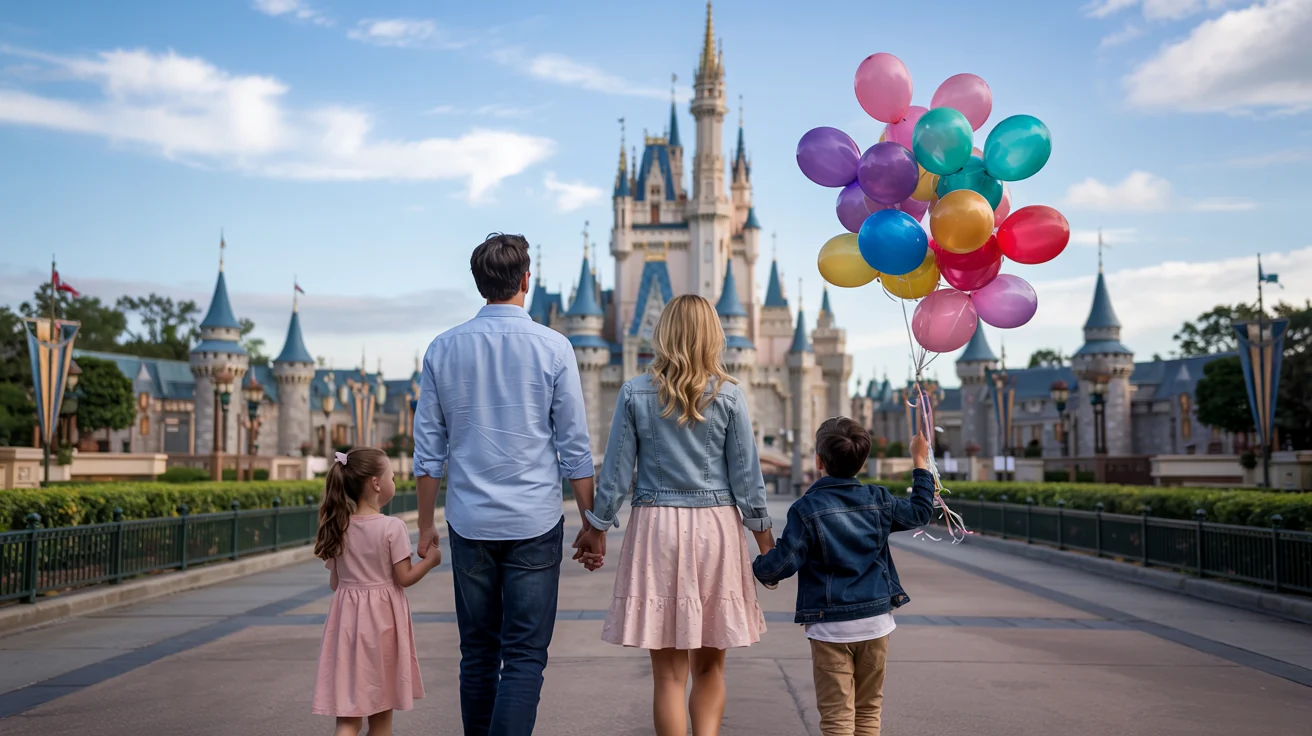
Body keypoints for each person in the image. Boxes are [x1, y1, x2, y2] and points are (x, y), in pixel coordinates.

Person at [412, 233, 601, 736]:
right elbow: (574, 449)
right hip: (534, 523)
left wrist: (426, 526)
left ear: (479, 284)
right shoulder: (555, 348)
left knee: (476, 654)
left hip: (470, 523)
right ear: (526, 281)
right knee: (523, 657)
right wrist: (592, 523)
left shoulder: (442, 349)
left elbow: (429, 454)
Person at [577, 293, 774, 736]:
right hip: (716, 530)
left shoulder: (634, 392)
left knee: (667, 675)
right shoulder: (730, 396)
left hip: (656, 528)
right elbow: (748, 479)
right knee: (710, 669)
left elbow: (614, 473)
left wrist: (597, 528)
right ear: (714, 337)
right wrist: (766, 544)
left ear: (663, 336)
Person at [752, 419, 934, 736]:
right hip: (876, 623)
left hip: (830, 628)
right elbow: (920, 512)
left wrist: (762, 553)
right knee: (868, 711)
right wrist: (920, 461)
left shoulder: (806, 509)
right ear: (862, 461)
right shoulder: (879, 500)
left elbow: (780, 566)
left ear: (819, 461)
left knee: (837, 717)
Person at [312, 447, 440, 736]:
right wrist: (431, 561)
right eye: (392, 476)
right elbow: (404, 577)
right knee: (381, 716)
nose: (394, 481)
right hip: (382, 626)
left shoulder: (339, 526)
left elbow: (336, 582)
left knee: (347, 717)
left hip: (346, 625)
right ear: (376, 483)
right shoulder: (391, 527)